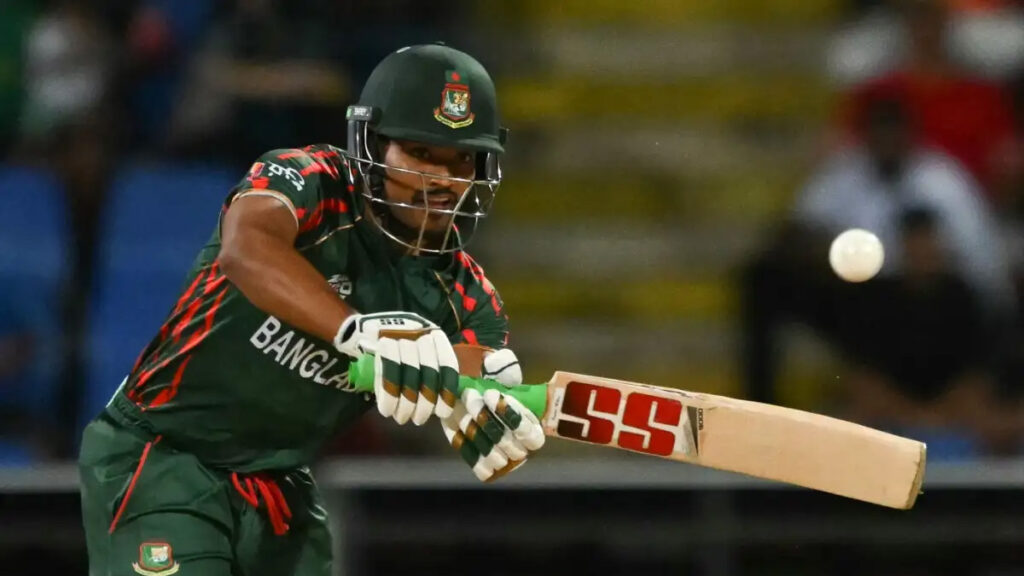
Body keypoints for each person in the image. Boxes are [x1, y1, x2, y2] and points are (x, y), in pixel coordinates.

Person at [78, 44, 545, 576]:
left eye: (462, 159)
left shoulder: (469, 298)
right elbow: (245, 250)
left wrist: (483, 406)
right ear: (373, 143)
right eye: (420, 151)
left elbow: (476, 375)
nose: (442, 179)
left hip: (281, 485)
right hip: (165, 452)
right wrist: (356, 331)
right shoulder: (307, 180)